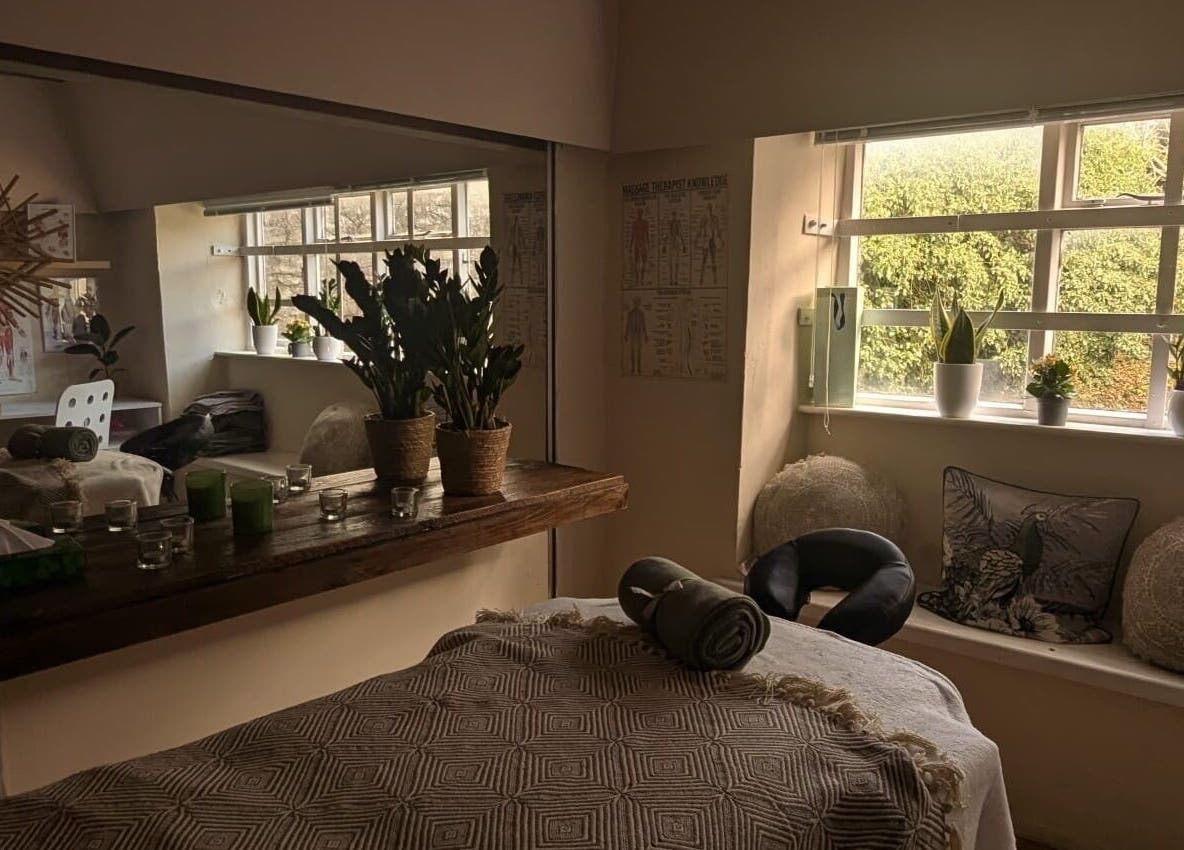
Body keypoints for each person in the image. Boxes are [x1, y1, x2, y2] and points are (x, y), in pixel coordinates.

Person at [697, 201, 722, 285]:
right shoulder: (704, 219)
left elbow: (718, 230)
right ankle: (701, 279)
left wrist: (721, 239)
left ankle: (715, 279)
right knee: (704, 260)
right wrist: (696, 240)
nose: (709, 210)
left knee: (713, 260)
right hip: (706, 242)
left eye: (710, 209)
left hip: (712, 241)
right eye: (708, 209)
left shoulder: (715, 219)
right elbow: (700, 231)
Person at [624, 297, 648, 375]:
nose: (636, 304)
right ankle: (633, 368)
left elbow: (644, 325)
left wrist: (645, 335)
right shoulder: (630, 313)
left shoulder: (641, 314)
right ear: (634, 303)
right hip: (632, 334)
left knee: (639, 351)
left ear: (639, 304)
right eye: (635, 302)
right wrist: (626, 334)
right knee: (632, 351)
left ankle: (639, 369)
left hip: (639, 334)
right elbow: (628, 324)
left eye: (638, 303)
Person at [662, 209, 686, 285]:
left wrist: (684, 245)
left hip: (677, 243)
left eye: (675, 215)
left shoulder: (678, 223)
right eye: (673, 215)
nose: (674, 216)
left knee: (676, 262)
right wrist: (664, 245)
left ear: (676, 215)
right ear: (671, 216)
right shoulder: (669, 223)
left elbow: (681, 234)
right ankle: (670, 280)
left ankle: (676, 280)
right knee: (670, 262)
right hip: (670, 243)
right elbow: (666, 234)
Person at [629, 206, 651, 286]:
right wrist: (630, 246)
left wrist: (648, 244)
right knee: (637, 262)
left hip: (642, 243)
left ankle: (641, 279)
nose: (639, 214)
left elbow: (647, 234)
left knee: (643, 262)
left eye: (640, 213)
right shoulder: (635, 223)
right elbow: (633, 235)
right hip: (638, 243)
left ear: (642, 214)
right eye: (639, 213)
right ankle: (638, 279)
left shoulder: (645, 223)